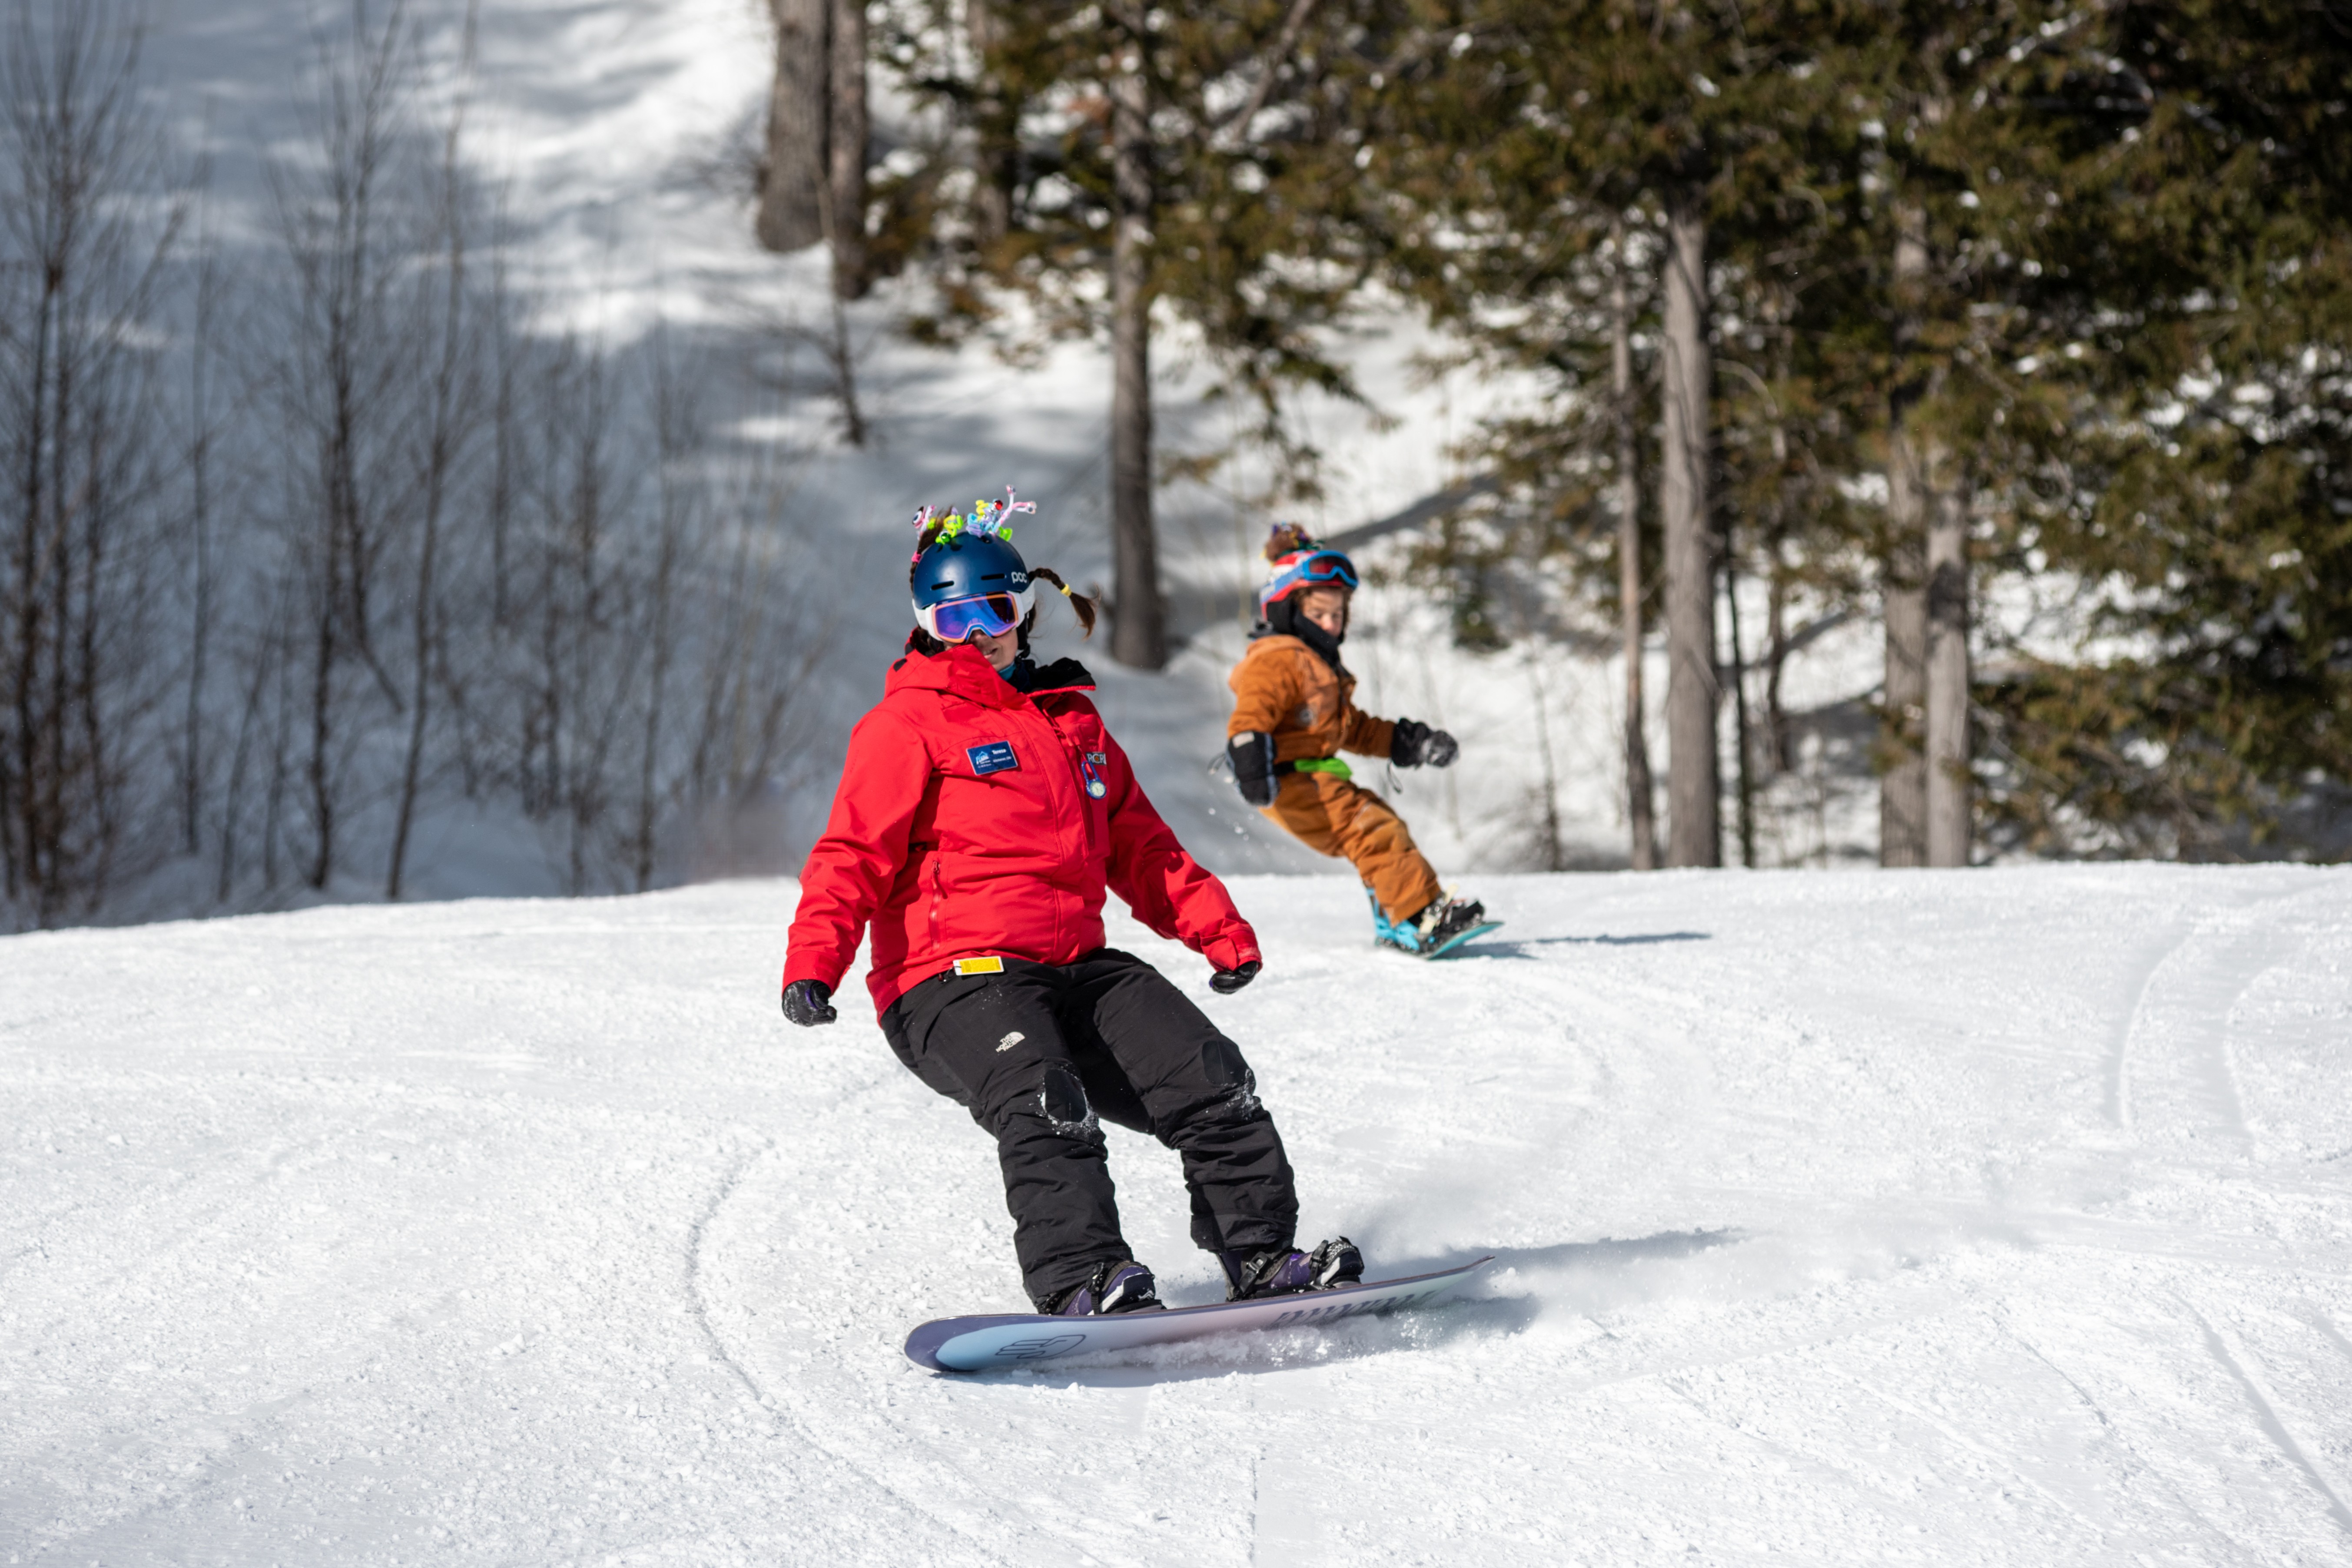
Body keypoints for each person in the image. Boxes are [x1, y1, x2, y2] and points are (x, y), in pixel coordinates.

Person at [779, 490, 1363, 1318]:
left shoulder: (1073, 722)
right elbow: (851, 852)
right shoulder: (904, 724)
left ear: (1023, 610)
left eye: (990, 611)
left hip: (1074, 967)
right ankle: (1082, 1278)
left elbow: (1140, 844)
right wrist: (814, 962)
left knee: (1210, 1075)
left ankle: (1262, 1253)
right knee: (1045, 1096)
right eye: (950, 622)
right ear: (923, 626)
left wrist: (1217, 930)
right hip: (949, 980)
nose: (976, 634)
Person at [1224, 524, 1487, 955]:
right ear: (1287, 611)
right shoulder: (1277, 661)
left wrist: (1410, 742)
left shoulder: (1317, 667)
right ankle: (1417, 918)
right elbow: (1249, 716)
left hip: (1311, 779)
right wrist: (1251, 762)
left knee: (1377, 823)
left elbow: (1354, 729)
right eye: (1319, 614)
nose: (1331, 624)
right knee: (1371, 828)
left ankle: (1394, 915)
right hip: (1283, 780)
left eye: (1338, 614)